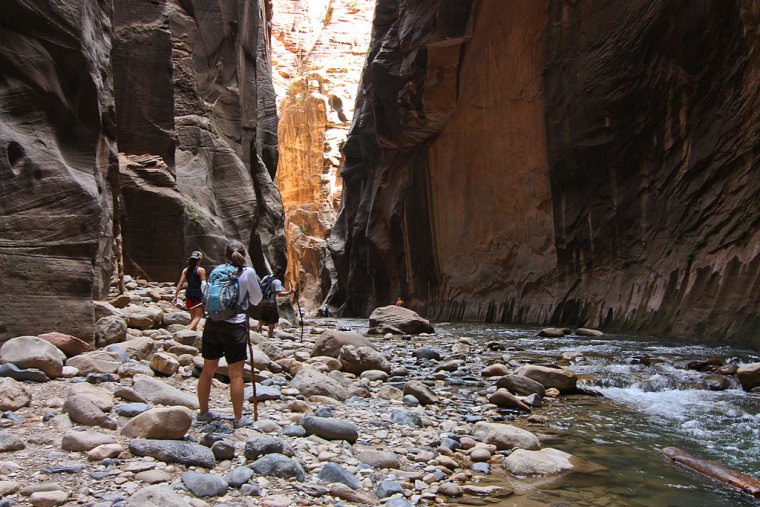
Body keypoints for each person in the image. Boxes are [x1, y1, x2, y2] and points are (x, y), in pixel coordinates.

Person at [196, 240, 263, 428]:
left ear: (225, 255)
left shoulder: (217, 270)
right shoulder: (248, 272)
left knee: (208, 371)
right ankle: (238, 418)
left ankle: (203, 412)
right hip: (235, 326)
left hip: (212, 323)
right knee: (235, 374)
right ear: (244, 254)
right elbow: (257, 299)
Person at [172, 251, 206, 331]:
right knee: (198, 316)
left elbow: (180, 284)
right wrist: (205, 296)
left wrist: (175, 297)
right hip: (198, 293)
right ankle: (187, 331)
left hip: (189, 293)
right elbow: (204, 284)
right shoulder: (201, 270)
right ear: (199, 260)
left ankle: (191, 333)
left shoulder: (185, 270)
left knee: (192, 316)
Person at [255, 266, 291, 337]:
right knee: (272, 320)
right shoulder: (277, 281)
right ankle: (270, 335)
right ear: (280, 274)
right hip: (271, 303)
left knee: (262, 317)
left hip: (263, 301)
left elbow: (260, 286)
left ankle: (258, 330)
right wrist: (289, 292)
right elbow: (279, 294)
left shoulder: (266, 277)